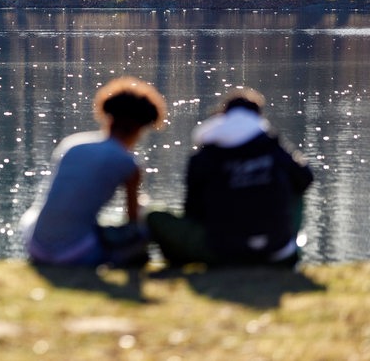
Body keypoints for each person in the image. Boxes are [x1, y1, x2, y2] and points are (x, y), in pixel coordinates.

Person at [146, 89, 314, 268]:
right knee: (296, 184)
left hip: (222, 251)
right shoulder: (272, 147)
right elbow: (306, 178)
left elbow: (193, 212)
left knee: (153, 217)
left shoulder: (204, 156)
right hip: (275, 250)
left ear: (223, 116)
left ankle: (182, 260)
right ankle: (286, 246)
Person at [20, 77, 167, 267]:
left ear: (108, 117)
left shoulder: (72, 145)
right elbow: (132, 222)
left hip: (36, 247)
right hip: (74, 254)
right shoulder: (129, 163)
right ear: (139, 127)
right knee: (142, 233)